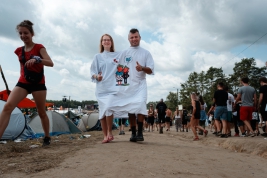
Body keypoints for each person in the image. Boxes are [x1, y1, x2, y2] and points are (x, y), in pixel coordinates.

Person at [0, 20, 54, 146]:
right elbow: (21, 66)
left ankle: (47, 137)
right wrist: (21, 80)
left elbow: (50, 63)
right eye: (21, 33)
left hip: (38, 83)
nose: (23, 36)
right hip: (23, 82)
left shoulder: (39, 47)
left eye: (26, 33)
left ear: (31, 33)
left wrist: (37, 59)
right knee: (7, 107)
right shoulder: (19, 51)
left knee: (41, 112)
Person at [110, 28, 154, 142]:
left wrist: (142, 68)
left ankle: (140, 132)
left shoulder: (146, 53)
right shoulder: (124, 53)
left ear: (140, 38)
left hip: (140, 84)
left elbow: (150, 70)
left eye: (136, 37)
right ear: (129, 39)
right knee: (130, 110)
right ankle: (133, 133)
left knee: (140, 106)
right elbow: (114, 65)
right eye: (132, 37)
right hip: (128, 85)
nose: (134, 39)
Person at [90, 34, 120, 143]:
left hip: (113, 88)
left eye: (108, 40)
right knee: (102, 112)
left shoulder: (117, 55)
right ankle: (105, 136)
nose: (106, 41)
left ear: (111, 42)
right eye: (104, 40)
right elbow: (92, 72)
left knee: (109, 107)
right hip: (101, 88)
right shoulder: (97, 57)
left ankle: (110, 132)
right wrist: (97, 76)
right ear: (102, 43)